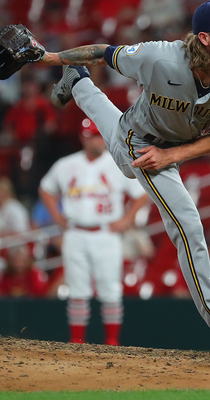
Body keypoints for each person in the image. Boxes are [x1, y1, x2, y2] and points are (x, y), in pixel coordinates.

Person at [33, 0, 210, 355]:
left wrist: (174, 155)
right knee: (189, 225)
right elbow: (105, 52)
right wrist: (50, 58)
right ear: (205, 38)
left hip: (159, 147)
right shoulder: (160, 57)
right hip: (143, 142)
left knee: (114, 140)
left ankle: (78, 83)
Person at [39, 119, 150, 346]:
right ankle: (77, 341)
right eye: (93, 136)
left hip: (105, 233)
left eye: (100, 135)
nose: (99, 140)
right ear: (83, 137)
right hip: (75, 233)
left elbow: (142, 192)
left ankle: (112, 342)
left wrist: (127, 219)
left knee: (110, 290)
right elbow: (46, 188)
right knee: (77, 290)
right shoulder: (66, 164)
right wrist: (56, 216)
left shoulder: (118, 164)